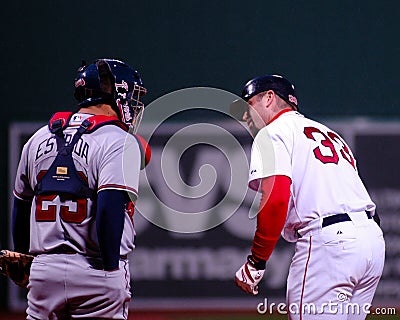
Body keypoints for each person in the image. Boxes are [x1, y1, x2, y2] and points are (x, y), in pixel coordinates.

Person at [230, 74, 385, 319]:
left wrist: (257, 261)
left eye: (249, 105)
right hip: (372, 243)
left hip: (331, 247)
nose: (245, 116)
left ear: (269, 98)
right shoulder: (330, 134)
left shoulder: (272, 133)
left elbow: (276, 199)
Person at [11, 58, 150, 320]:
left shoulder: (38, 138)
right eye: (131, 95)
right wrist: (109, 270)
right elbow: (109, 207)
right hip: (95, 269)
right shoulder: (118, 141)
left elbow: (20, 204)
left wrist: (23, 260)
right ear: (118, 93)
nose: (133, 103)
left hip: (44, 270)